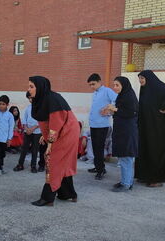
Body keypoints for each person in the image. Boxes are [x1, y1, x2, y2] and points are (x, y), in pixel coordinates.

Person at [28, 76, 79, 207]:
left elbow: (56, 124)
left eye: (31, 87)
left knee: (52, 160)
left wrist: (49, 144)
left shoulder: (52, 100)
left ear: (40, 88)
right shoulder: (43, 99)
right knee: (63, 163)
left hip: (66, 133)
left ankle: (47, 197)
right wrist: (43, 136)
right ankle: (68, 194)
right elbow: (46, 122)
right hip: (60, 132)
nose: (29, 90)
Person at [135, 70, 165, 187]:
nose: (140, 81)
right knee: (144, 150)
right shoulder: (145, 90)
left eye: (142, 78)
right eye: (139, 78)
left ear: (149, 79)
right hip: (145, 127)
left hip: (156, 128)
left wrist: (164, 107)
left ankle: (155, 179)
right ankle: (144, 176)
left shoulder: (158, 88)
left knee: (154, 152)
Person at [103, 77, 139, 192]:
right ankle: (126, 181)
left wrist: (115, 109)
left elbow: (131, 113)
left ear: (124, 85)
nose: (115, 88)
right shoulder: (123, 96)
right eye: (114, 85)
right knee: (123, 157)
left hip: (127, 132)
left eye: (117, 85)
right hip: (122, 131)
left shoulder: (129, 96)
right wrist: (112, 110)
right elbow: (121, 112)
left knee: (126, 158)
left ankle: (126, 184)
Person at [87, 73, 117, 180]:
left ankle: (101, 170)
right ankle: (98, 167)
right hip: (94, 124)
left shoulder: (107, 91)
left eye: (93, 84)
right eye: (90, 85)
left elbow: (117, 100)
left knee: (99, 148)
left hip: (102, 125)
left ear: (100, 82)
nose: (92, 87)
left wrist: (108, 110)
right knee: (95, 147)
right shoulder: (95, 93)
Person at [14, 92, 42, 173]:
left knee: (35, 149)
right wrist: (26, 128)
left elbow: (40, 121)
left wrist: (33, 128)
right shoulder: (28, 108)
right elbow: (24, 119)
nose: (30, 100)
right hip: (27, 131)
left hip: (37, 132)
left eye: (32, 98)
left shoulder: (40, 108)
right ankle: (20, 164)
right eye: (29, 98)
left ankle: (33, 166)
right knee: (24, 148)